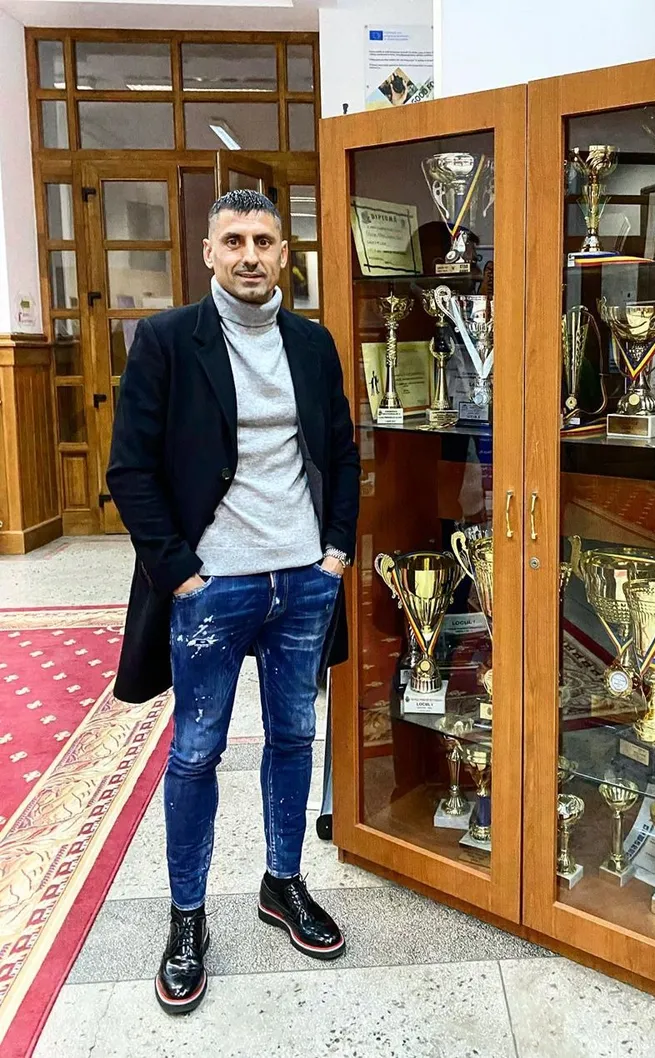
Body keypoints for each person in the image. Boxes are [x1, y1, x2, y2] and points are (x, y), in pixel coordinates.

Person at [107, 188, 360, 1015]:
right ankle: (187, 918)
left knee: (294, 736)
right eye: (234, 241)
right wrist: (181, 571)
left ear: (285, 253)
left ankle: (282, 883)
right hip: (212, 587)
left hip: (303, 583)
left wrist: (335, 552)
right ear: (210, 253)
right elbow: (130, 469)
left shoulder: (313, 344)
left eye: (264, 241)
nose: (250, 255)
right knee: (195, 752)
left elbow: (342, 453)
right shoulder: (168, 340)